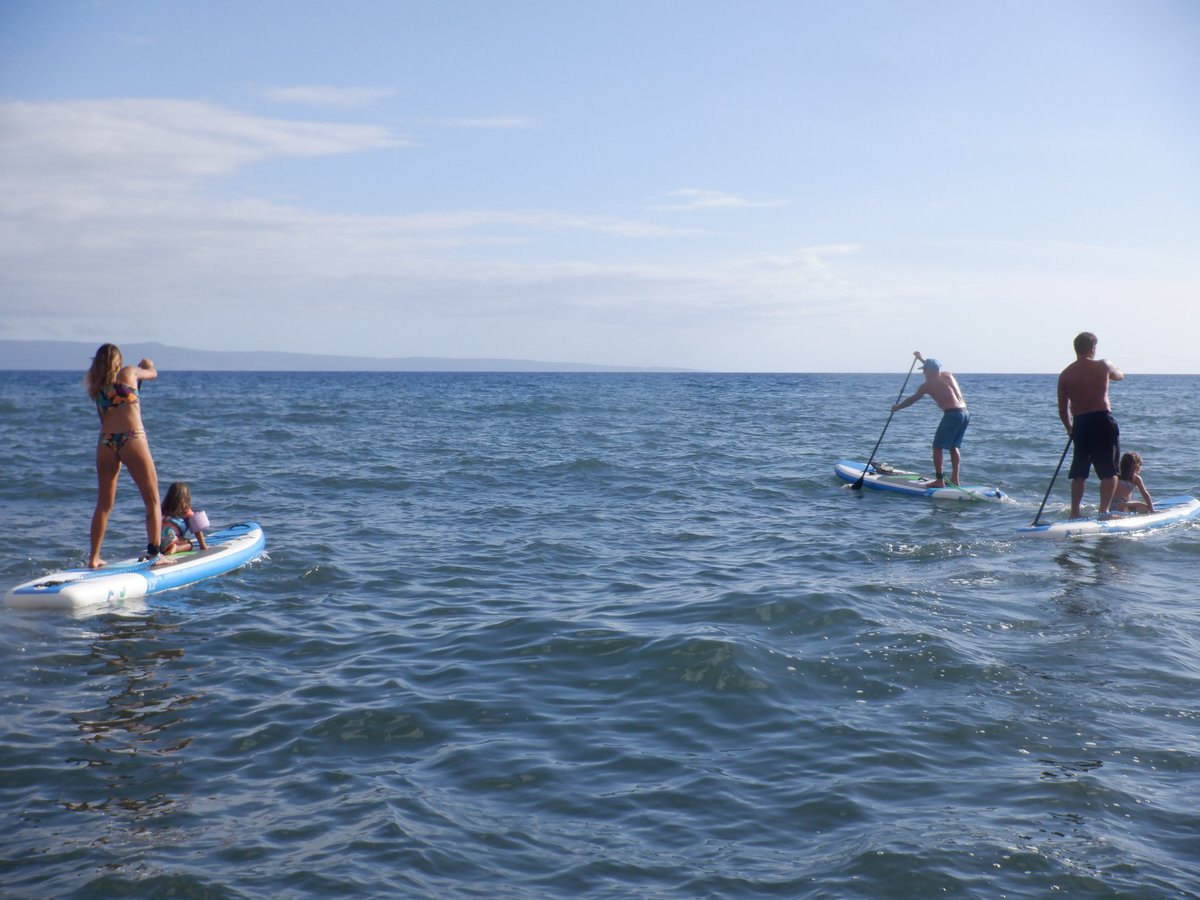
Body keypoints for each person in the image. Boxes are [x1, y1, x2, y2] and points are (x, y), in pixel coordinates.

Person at [85, 343, 173, 568]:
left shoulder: (98, 387)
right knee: (152, 500)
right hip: (132, 438)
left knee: (103, 504)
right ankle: (155, 555)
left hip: (106, 442)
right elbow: (152, 374)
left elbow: (109, 414)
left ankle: (94, 558)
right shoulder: (130, 372)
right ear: (118, 360)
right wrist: (148, 365)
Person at [1057, 332, 1123, 519]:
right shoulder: (1103, 365)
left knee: (1079, 473)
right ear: (1093, 348)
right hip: (1102, 420)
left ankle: (1075, 513)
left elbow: (1063, 410)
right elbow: (1119, 376)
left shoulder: (1065, 375)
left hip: (1080, 424)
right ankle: (1104, 512)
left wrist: (1069, 428)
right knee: (1109, 472)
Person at [891, 351, 969, 488]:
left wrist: (897, 407)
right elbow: (933, 367)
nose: (923, 373)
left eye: (925, 370)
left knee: (937, 447)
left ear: (931, 370)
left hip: (952, 415)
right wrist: (921, 358)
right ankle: (955, 479)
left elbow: (912, 399)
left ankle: (940, 481)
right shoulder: (947, 375)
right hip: (965, 413)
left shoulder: (927, 385)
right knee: (953, 446)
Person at [160, 482, 210, 555]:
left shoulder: (163, 509)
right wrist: (203, 546)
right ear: (186, 498)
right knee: (189, 544)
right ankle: (176, 548)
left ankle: (168, 548)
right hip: (173, 539)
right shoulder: (186, 510)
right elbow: (197, 530)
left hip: (160, 542)